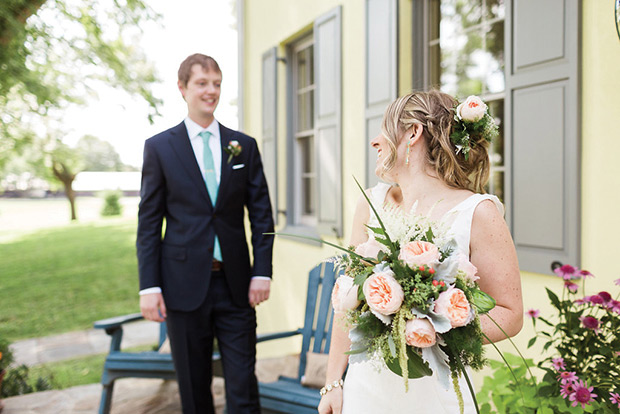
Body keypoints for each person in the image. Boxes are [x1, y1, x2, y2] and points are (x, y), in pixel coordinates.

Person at [318, 90, 523, 413]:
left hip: (433, 393)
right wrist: (333, 382)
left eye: (384, 128)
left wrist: (434, 325)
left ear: (413, 133)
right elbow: (345, 301)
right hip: (365, 391)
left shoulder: (479, 212)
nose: (375, 141)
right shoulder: (370, 203)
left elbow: (509, 314)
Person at [136, 53, 274, 414]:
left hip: (237, 286)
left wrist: (262, 271)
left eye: (216, 83)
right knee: (195, 392)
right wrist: (149, 287)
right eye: (202, 83)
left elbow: (262, 217)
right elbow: (149, 223)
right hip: (181, 287)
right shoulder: (160, 148)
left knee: (243, 385)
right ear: (182, 89)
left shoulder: (242, 146)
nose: (211, 91)